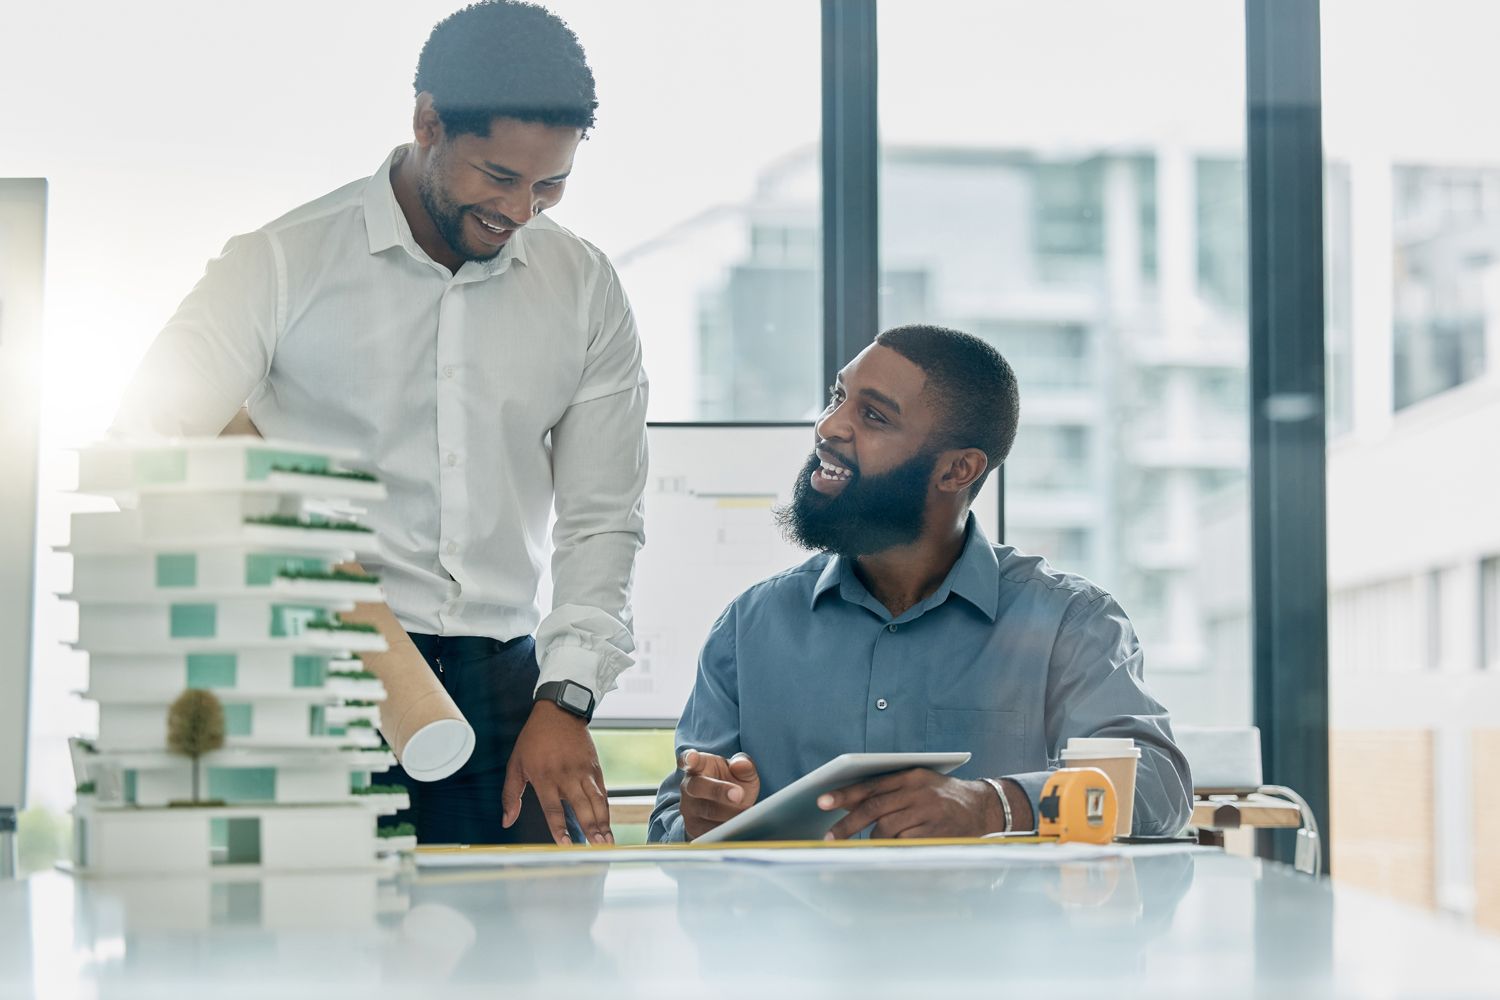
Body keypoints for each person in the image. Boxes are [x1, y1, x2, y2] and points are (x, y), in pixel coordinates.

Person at [111, 1, 647, 846]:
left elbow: (603, 516)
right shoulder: (281, 262)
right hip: (316, 672)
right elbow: (143, 440)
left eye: (551, 184)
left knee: (533, 969)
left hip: (509, 692)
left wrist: (567, 697)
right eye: (497, 176)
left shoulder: (583, 286)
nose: (523, 210)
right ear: (427, 122)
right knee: (318, 962)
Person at [648, 325, 1191, 843]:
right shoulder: (750, 626)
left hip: (996, 938)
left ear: (957, 471)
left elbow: (1158, 787)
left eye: (874, 416)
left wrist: (993, 805)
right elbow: (669, 822)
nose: (830, 427)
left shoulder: (1070, 623)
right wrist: (701, 819)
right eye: (838, 397)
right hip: (792, 938)